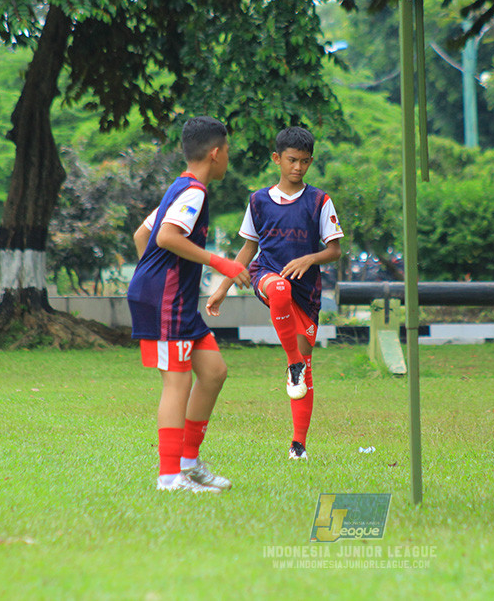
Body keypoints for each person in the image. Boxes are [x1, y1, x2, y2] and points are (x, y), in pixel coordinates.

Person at [127, 116, 251, 493]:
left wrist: (153, 277)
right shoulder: (192, 192)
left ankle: (189, 462)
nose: (228, 157)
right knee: (177, 382)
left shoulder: (181, 188)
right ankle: (169, 477)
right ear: (215, 154)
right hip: (164, 301)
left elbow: (142, 235)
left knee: (213, 371)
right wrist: (221, 263)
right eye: (227, 150)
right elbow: (165, 237)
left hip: (171, 300)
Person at [206, 126, 343, 461]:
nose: (298, 167)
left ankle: (298, 445)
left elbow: (335, 250)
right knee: (279, 289)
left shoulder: (320, 201)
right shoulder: (259, 201)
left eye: (305, 162)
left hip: (307, 291)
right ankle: (291, 363)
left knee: (307, 367)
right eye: (292, 160)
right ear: (277, 159)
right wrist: (222, 287)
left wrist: (309, 258)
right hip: (268, 276)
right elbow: (248, 248)